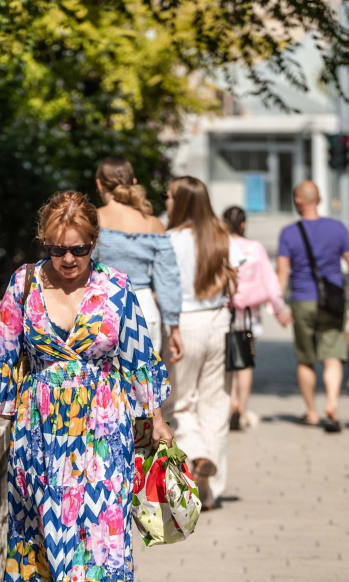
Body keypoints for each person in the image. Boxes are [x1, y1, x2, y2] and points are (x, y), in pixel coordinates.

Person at [0, 190, 172, 582]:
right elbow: (4, 351)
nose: (69, 259)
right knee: (54, 536)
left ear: (94, 244)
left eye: (78, 249)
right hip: (40, 435)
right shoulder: (23, 284)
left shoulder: (117, 288)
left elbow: (139, 357)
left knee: (101, 538)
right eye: (59, 249)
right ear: (45, 244)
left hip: (103, 432)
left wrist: (155, 418)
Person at [165, 176, 245, 508]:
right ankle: (211, 492)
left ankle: (196, 456)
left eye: (169, 196)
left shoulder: (169, 240)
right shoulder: (221, 235)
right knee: (215, 405)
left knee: (178, 402)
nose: (166, 201)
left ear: (181, 201)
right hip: (219, 321)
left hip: (184, 323)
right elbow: (235, 280)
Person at [276, 181, 349, 433]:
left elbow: (283, 272)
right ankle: (332, 404)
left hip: (302, 300)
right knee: (333, 357)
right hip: (333, 301)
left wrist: (278, 305)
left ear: (298, 200)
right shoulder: (337, 228)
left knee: (305, 360)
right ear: (318, 200)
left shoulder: (288, 233)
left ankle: (311, 413)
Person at [94, 156, 184, 361]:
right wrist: (174, 327)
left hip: (98, 309)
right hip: (143, 310)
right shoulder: (153, 224)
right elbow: (168, 279)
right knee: (141, 389)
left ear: (99, 184)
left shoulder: (91, 219)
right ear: (133, 182)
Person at [221, 206, 291, 431]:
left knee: (226, 364)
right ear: (243, 224)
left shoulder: (220, 246)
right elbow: (271, 283)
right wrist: (279, 310)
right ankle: (241, 409)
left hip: (224, 314)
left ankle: (229, 403)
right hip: (249, 317)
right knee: (245, 363)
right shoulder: (255, 248)